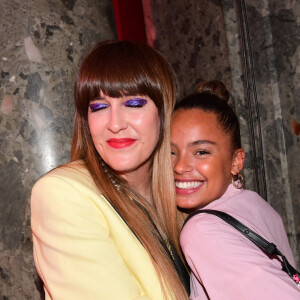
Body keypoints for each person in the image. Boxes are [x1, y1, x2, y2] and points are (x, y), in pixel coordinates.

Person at [31, 40, 189, 300]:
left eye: (134, 104)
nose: (115, 124)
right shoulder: (63, 194)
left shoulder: (182, 197)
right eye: (99, 107)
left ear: (164, 112)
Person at [170, 81, 299, 299]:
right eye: (170, 152)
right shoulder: (255, 203)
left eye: (201, 152)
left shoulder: (201, 231)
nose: (180, 166)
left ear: (236, 161)